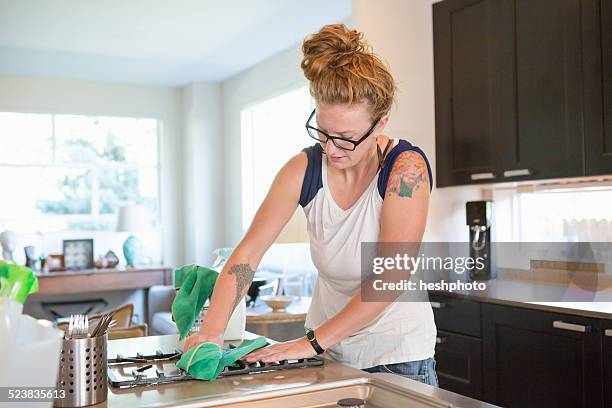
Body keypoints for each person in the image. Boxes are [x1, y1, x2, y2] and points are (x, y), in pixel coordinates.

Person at [184, 23, 438, 386]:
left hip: (396, 357)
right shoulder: (302, 171)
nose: (331, 149)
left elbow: (389, 277)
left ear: (381, 124)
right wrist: (212, 330)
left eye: (346, 139)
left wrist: (310, 343)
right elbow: (247, 255)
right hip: (330, 353)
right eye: (322, 131)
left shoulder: (405, 169)